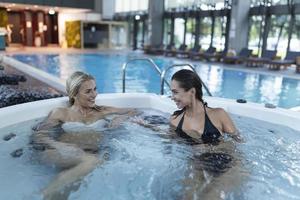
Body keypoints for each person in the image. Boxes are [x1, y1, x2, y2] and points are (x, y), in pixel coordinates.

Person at [31, 71, 137, 200]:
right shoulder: (61, 113)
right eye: (88, 91)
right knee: (92, 161)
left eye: (95, 89)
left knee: (88, 166)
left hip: (88, 154)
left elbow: (134, 110)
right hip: (59, 152)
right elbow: (39, 136)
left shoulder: (103, 110)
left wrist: (121, 118)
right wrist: (59, 146)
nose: (94, 95)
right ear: (74, 94)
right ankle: (44, 195)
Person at [170, 69, 242, 144]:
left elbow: (238, 143)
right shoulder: (175, 120)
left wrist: (203, 147)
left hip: (225, 155)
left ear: (192, 92)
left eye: (175, 92)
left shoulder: (219, 115)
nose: (172, 97)